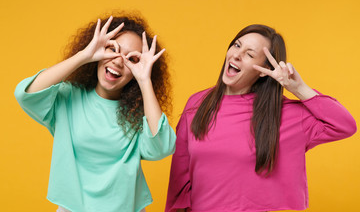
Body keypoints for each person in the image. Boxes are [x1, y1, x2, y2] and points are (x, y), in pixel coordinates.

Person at [165, 24, 357, 212]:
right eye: (237, 45)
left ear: (263, 69)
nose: (237, 55)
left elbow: (344, 125)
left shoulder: (283, 114)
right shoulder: (198, 102)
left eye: (249, 54)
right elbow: (179, 177)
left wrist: (298, 88)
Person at [15, 14, 176, 212]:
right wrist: (84, 56)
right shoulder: (69, 97)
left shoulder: (137, 115)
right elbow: (27, 94)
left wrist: (144, 81)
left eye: (131, 58)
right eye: (112, 49)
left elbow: (163, 147)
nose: (118, 61)